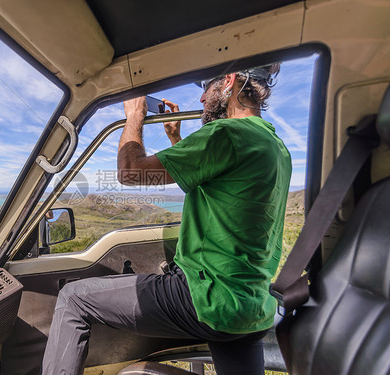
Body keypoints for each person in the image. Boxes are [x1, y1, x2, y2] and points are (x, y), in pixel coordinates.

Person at [42, 64, 291, 375]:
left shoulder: (226, 134)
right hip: (251, 306)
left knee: (73, 300)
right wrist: (176, 137)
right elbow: (213, 188)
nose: (201, 99)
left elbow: (130, 172)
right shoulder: (275, 145)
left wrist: (135, 117)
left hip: (208, 298)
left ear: (229, 81)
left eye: (207, 87)